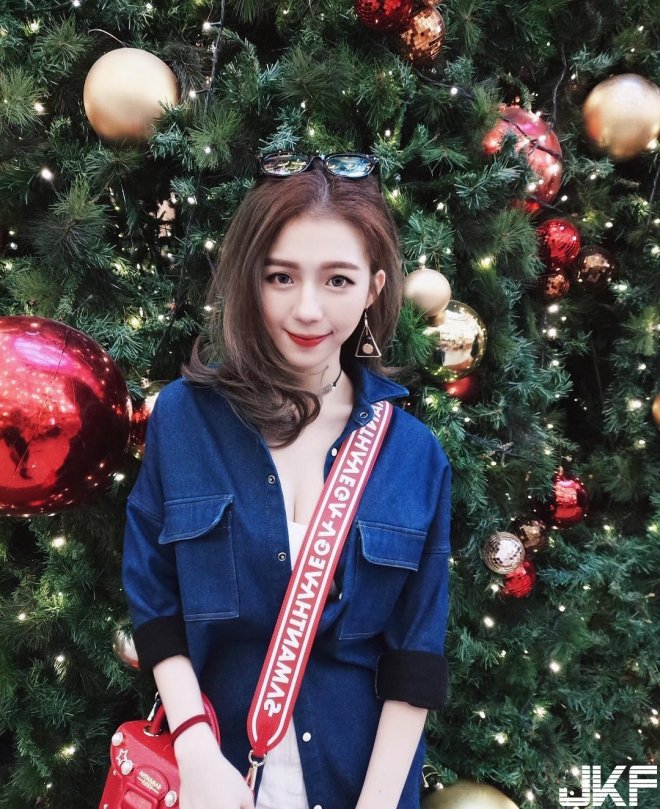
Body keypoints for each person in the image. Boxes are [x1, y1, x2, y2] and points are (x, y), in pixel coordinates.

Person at [122, 152, 452, 809]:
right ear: (252, 280)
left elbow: (415, 659)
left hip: (358, 783)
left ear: (374, 287)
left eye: (338, 280)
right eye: (281, 277)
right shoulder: (185, 419)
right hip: (212, 779)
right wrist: (195, 750)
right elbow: (155, 603)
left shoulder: (414, 455)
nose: (307, 309)